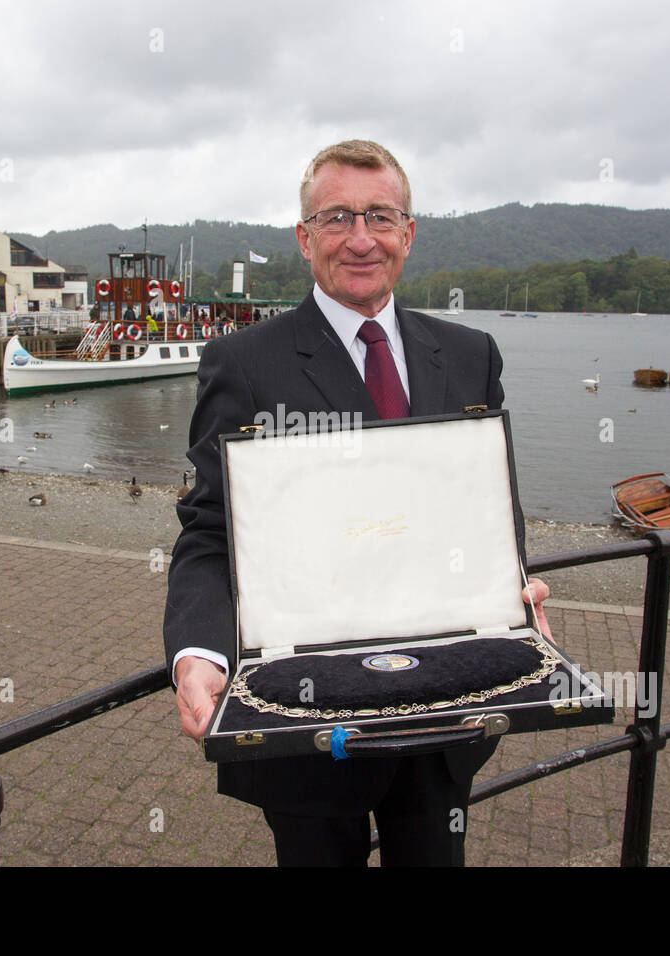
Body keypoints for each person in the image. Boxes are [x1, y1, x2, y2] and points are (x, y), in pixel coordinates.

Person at [163, 139, 552, 867]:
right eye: (338, 217)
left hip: (449, 709)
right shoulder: (243, 364)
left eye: (380, 216)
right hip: (308, 717)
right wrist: (197, 652)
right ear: (305, 237)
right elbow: (211, 531)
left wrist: (510, 583)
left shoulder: (472, 354)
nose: (361, 239)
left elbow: (487, 501)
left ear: (410, 232)